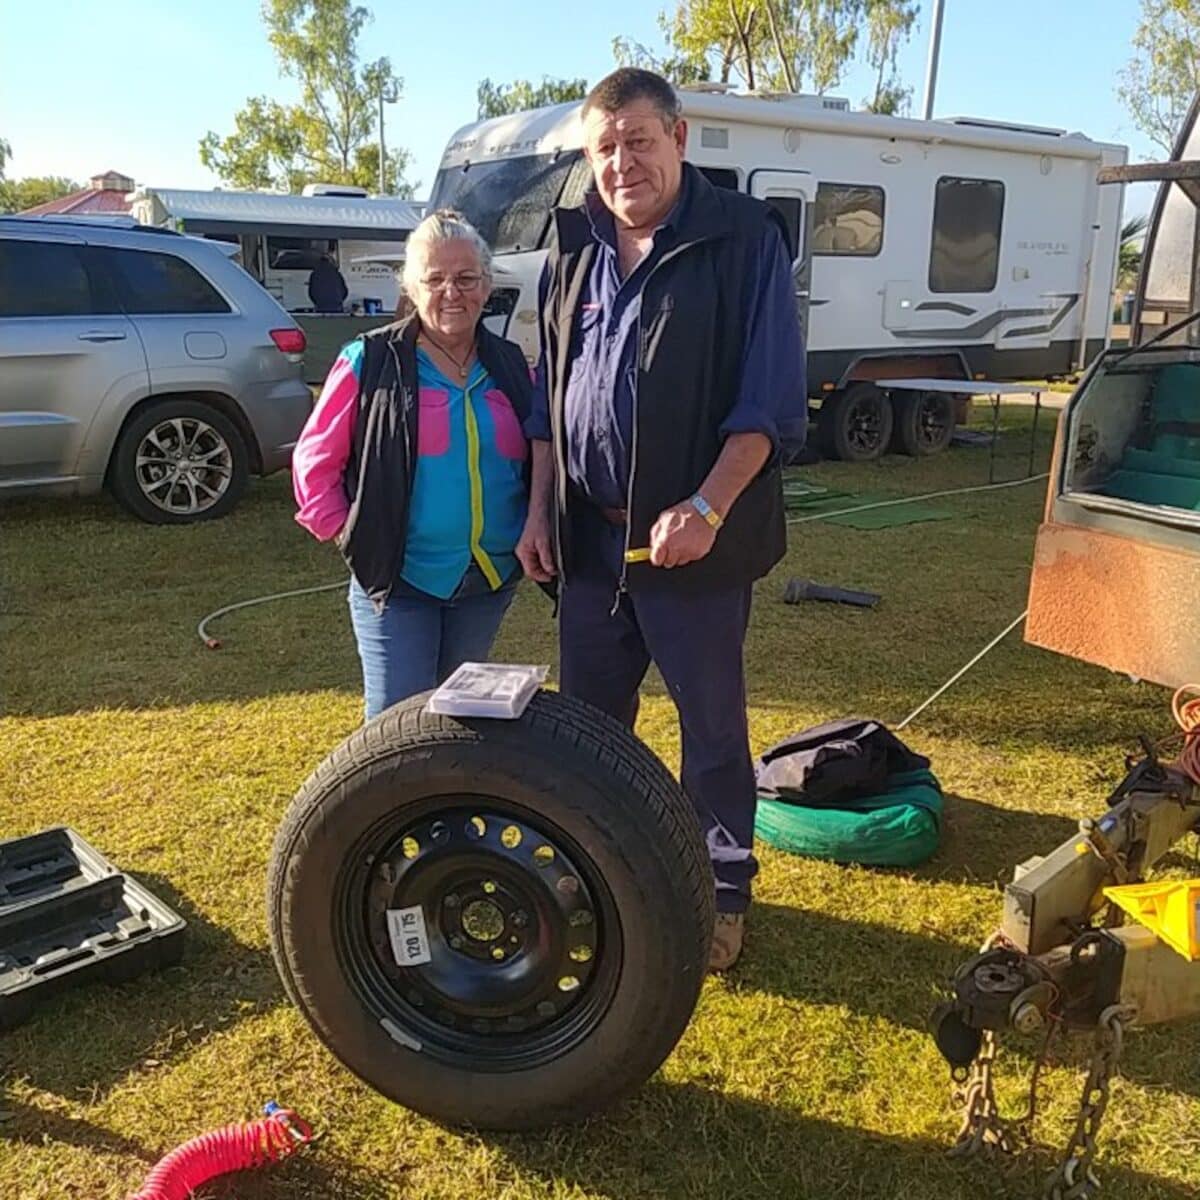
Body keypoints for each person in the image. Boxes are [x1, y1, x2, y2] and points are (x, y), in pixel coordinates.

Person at [516, 68, 807, 972]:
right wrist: (540, 515)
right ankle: (597, 868)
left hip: (693, 547)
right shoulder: (573, 249)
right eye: (603, 148)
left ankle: (720, 893)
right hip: (591, 542)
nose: (620, 162)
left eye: (637, 140)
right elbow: (548, 397)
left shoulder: (744, 240)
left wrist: (709, 506)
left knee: (711, 729)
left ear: (680, 138)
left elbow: (768, 406)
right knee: (590, 725)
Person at [293, 210, 533, 720]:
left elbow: (542, 456)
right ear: (411, 286)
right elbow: (314, 465)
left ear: (487, 287)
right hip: (399, 582)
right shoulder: (370, 360)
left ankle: (452, 804)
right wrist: (354, 535)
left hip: (486, 581)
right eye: (435, 279)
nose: (452, 292)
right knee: (396, 726)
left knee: (464, 718)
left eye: (466, 278)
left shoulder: (512, 365)